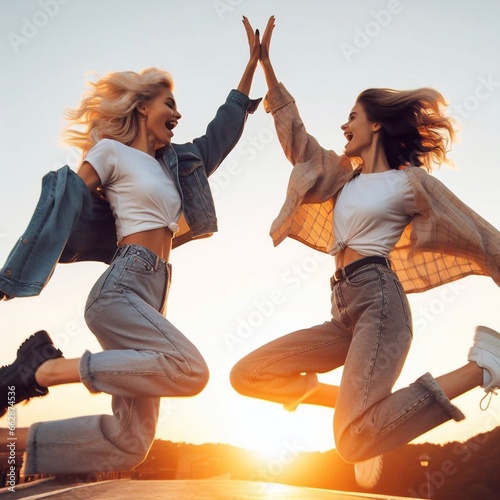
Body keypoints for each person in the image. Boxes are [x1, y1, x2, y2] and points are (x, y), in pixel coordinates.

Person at [230, 16, 500, 489]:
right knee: (248, 374)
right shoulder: (343, 176)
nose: (344, 124)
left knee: (352, 443)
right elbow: (297, 140)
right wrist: (266, 67)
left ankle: (482, 367)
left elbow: (478, 234)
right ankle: (363, 410)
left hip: (380, 303)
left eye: (352, 116)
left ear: (376, 123)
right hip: (343, 312)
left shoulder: (410, 184)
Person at [0, 17, 261, 476]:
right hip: (121, 287)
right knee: (189, 370)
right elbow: (65, 202)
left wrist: (251, 67)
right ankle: (39, 371)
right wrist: (12, 276)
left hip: (154, 295)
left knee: (131, 442)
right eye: (169, 103)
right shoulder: (110, 153)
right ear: (142, 107)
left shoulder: (178, 164)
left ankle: (9, 444)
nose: (177, 114)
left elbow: (222, 134)